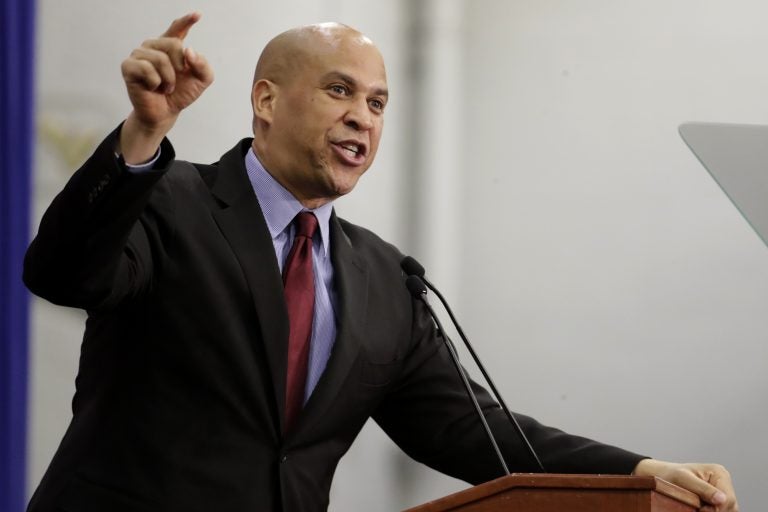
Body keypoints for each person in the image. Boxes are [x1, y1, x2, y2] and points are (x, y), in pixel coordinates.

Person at [24, 12, 738, 512]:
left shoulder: (384, 280)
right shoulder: (168, 197)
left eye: (378, 101)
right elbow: (59, 274)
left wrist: (639, 473)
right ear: (266, 100)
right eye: (340, 91)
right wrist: (143, 135)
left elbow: (472, 430)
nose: (364, 116)